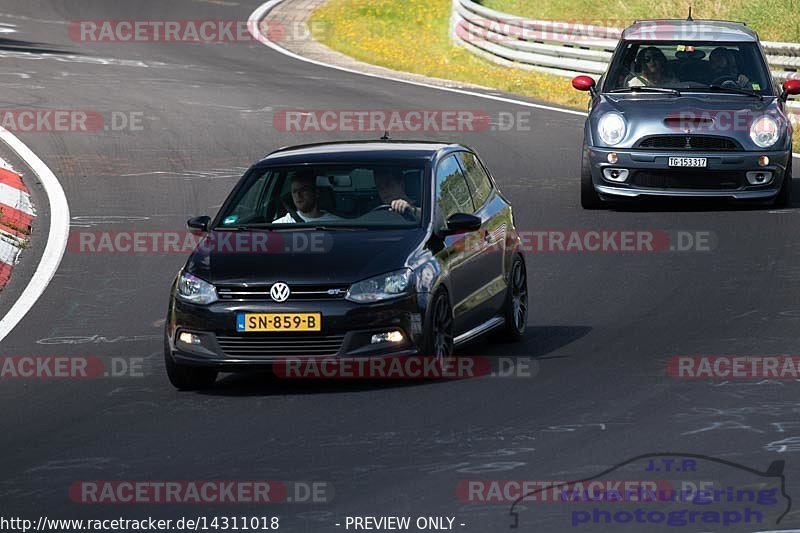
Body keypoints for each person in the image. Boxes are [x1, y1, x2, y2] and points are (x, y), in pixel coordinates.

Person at [272, 170, 341, 224]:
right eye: (294, 191)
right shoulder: (280, 225)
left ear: (316, 193)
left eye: (303, 190)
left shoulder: (338, 224)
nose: (298, 195)